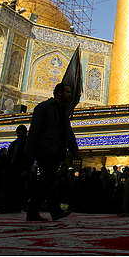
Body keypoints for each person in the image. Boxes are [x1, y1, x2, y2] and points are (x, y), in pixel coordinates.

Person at [24, 83, 79, 221]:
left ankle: (32, 212)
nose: (70, 94)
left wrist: (74, 149)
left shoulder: (64, 110)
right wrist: (29, 149)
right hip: (45, 150)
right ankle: (55, 211)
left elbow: (68, 132)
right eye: (67, 92)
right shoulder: (43, 108)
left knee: (45, 182)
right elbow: (34, 130)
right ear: (59, 93)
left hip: (56, 151)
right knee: (48, 181)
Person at [0, 125, 33, 214]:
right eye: (17, 133)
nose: (18, 135)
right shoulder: (14, 144)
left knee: (19, 190)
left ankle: (17, 207)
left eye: (20, 133)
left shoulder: (27, 144)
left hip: (20, 170)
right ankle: (8, 207)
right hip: (12, 169)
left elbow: (29, 158)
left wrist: (26, 169)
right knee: (10, 189)